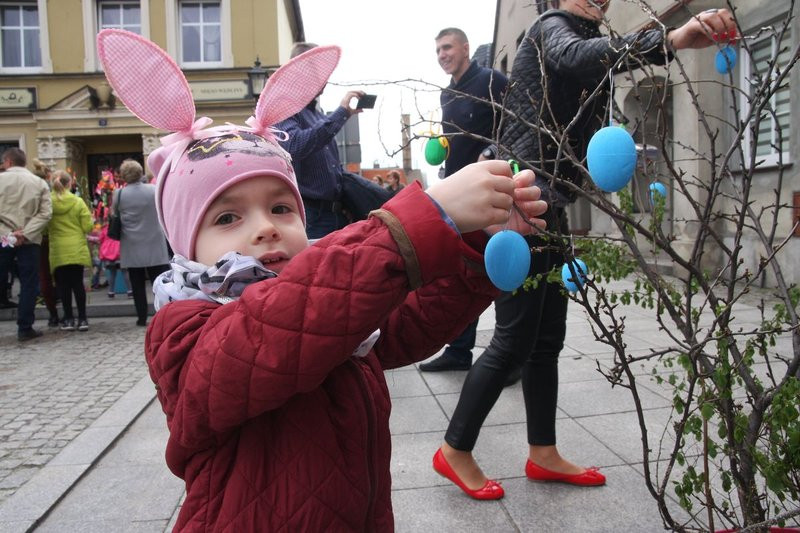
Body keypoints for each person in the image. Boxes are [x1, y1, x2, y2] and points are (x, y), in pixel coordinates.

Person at [95, 29, 547, 531]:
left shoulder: (337, 312)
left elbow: (407, 324)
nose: (266, 226)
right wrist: (416, 223)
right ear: (185, 244)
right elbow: (276, 329)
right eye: (227, 218)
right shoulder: (183, 329)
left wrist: (474, 245)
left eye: (281, 207)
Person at [433, 0, 739, 500]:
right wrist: (672, 38)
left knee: (547, 337)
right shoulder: (551, 28)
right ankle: (454, 450)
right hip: (523, 204)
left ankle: (543, 451)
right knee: (513, 338)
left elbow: (590, 75)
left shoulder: (580, 35)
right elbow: (578, 55)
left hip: (551, 202)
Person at [420, 27, 509, 373]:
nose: (442, 54)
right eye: (438, 50)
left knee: (501, 266)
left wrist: (489, 152)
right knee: (461, 271)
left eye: (447, 47)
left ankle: (509, 351)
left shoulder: (492, 81)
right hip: (459, 194)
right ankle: (458, 351)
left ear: (465, 48)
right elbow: (452, 141)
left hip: (493, 188)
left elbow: (515, 127)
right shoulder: (446, 94)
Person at [275, 42, 366, 239]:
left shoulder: (316, 113)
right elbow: (295, 145)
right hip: (312, 217)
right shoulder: (285, 108)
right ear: (300, 72)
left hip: (335, 213)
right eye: (319, 73)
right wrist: (340, 114)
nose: (325, 80)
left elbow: (333, 168)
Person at [0, 147, 52, 341]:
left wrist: (8, 235)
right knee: (29, 282)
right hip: (29, 240)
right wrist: (27, 233)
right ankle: (25, 327)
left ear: (8, 162)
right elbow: (45, 213)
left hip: (3, 239)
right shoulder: (38, 182)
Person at [112, 159, 170, 327]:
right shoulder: (153, 189)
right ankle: (163, 314)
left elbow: (114, 213)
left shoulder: (119, 194)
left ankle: (141, 317)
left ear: (123, 176)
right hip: (154, 240)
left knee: (136, 283)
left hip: (132, 242)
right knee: (159, 281)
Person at [47, 170, 93, 331]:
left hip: (58, 249)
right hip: (76, 247)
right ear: (69, 184)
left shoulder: (48, 202)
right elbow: (88, 226)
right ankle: (82, 319)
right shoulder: (77, 202)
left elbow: (44, 228)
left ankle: (68, 319)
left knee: (63, 286)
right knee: (77, 284)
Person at [30, 159, 60, 326]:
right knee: (58, 277)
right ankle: (67, 313)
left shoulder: (32, 190)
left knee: (43, 277)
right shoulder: (52, 195)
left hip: (36, 238)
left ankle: (53, 313)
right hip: (51, 238)